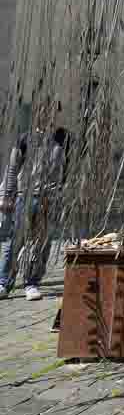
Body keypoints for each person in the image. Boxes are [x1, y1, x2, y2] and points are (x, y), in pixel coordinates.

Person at [0, 125, 66, 300]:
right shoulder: (25, 138)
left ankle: (32, 283)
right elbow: (13, 168)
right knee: (15, 241)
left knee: (41, 244)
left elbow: (67, 170)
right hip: (25, 197)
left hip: (50, 199)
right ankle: (4, 283)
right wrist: (6, 196)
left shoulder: (62, 138)